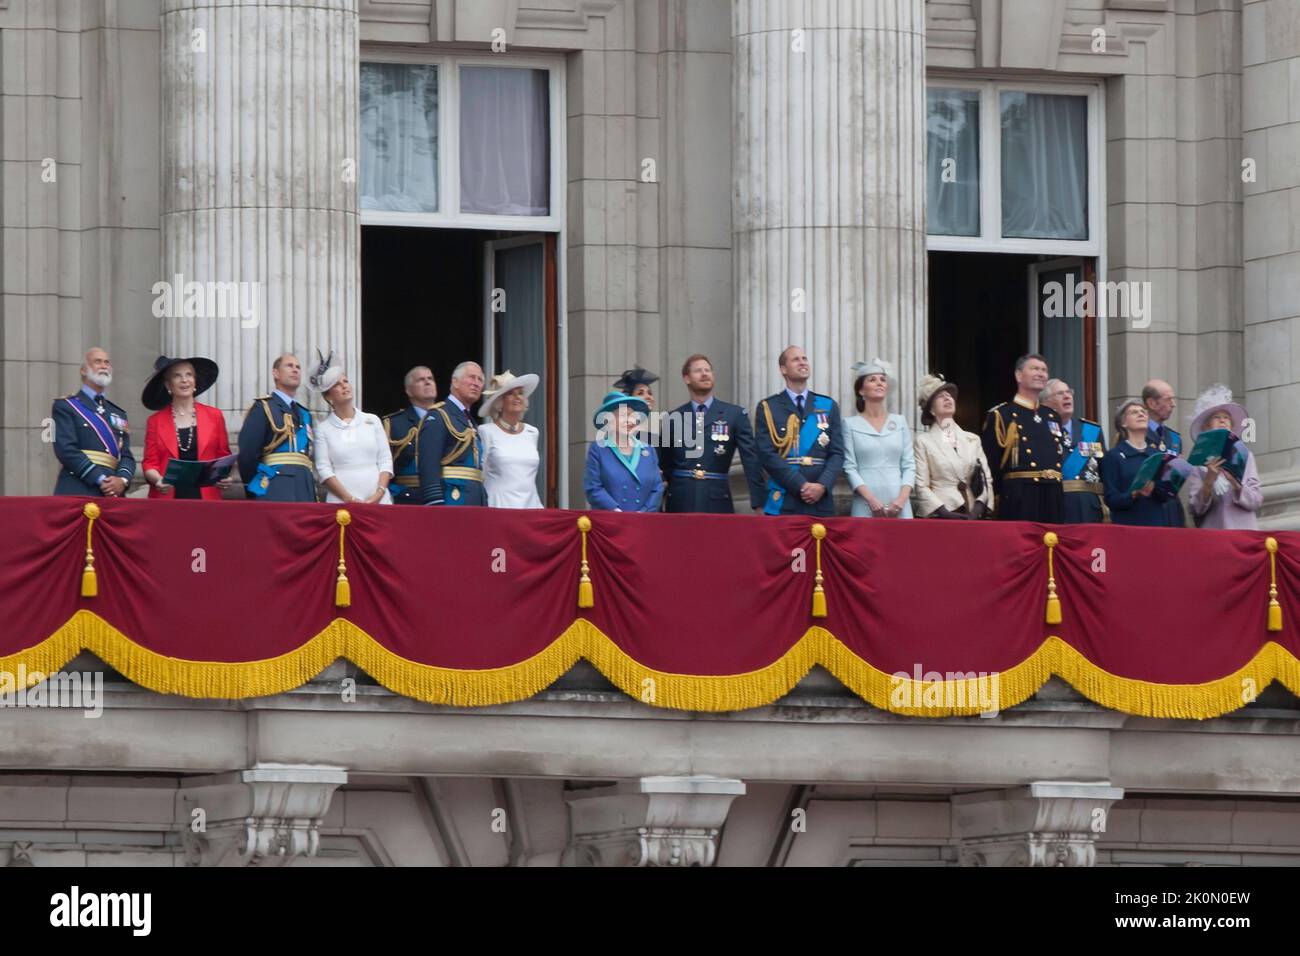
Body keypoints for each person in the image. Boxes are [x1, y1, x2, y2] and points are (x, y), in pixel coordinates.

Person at [660, 354, 765, 514]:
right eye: (698, 371)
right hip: (681, 500)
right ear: (687, 378)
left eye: (708, 370)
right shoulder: (672, 418)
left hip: (717, 499)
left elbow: (751, 460)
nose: (704, 374)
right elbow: (665, 464)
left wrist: (759, 502)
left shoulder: (735, 414)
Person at [754, 346, 845, 517]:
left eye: (804, 358)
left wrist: (822, 485)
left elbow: (837, 453)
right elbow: (766, 454)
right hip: (785, 497)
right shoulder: (768, 407)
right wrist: (801, 485)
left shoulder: (827, 405)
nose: (802, 362)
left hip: (820, 501)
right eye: (796, 359)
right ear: (783, 369)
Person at [980, 354, 1065, 522]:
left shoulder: (1052, 416)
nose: (1041, 374)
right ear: (1018, 376)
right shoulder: (1002, 415)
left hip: (1052, 495)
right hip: (1020, 497)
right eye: (1034, 369)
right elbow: (991, 465)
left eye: (1044, 370)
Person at [140, 354, 232, 501]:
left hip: (207, 498)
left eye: (189, 374)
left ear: (195, 381)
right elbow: (150, 463)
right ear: (168, 385)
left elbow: (224, 456)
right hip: (168, 499)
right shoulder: (155, 421)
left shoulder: (215, 416)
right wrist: (158, 480)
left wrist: (224, 476)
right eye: (177, 376)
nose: (184, 380)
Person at [52, 347, 137, 497]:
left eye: (107, 362)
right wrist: (101, 479)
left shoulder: (118, 413)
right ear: (83, 370)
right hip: (78, 488)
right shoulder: (65, 406)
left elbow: (126, 455)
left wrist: (122, 480)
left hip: (114, 495)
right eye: (98, 362)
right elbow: (66, 450)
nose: (104, 366)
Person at [310, 353, 393, 505]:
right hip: (341, 502)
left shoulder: (372, 420)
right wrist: (350, 499)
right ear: (328, 397)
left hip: (379, 500)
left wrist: (379, 493)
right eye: (337, 384)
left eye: (346, 381)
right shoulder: (323, 429)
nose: (344, 385)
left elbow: (385, 460)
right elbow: (323, 469)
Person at [237, 353, 317, 501]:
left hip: (304, 488)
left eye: (298, 367)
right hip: (275, 488)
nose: (295, 370)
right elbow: (248, 453)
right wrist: (253, 488)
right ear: (275, 373)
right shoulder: (264, 407)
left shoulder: (305, 414)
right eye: (289, 366)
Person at [912, 373, 992, 519]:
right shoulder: (923, 441)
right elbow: (921, 485)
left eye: (949, 395)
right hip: (942, 514)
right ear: (931, 410)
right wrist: (944, 512)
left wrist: (977, 509)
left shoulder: (973, 439)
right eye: (940, 396)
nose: (947, 398)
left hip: (973, 512)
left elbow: (986, 479)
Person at [1183, 385, 1263, 530]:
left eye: (1226, 418)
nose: (1222, 420)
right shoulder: (1198, 463)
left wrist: (1236, 483)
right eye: (1217, 417)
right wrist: (1208, 483)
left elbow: (1256, 500)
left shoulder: (1245, 457)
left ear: (1232, 427)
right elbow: (1195, 509)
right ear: (1206, 427)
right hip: (1215, 534)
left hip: (1243, 532)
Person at [843, 359, 914, 518]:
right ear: (861, 390)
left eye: (883, 379)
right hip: (865, 502)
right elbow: (849, 467)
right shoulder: (849, 424)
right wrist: (870, 499)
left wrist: (902, 499)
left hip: (899, 502)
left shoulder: (900, 421)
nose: (879, 383)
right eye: (872, 379)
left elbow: (909, 464)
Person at [418, 361, 486, 506]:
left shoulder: (469, 420)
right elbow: (428, 465)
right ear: (455, 382)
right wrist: (434, 501)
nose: (476, 383)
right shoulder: (439, 415)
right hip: (451, 499)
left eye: (480, 380)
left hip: (473, 499)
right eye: (471, 377)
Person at [1101, 400, 1176, 527]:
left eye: (1143, 412)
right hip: (1128, 525)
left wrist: (1157, 487)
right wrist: (1133, 494)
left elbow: (1167, 496)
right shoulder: (1114, 456)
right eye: (1134, 412)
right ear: (1123, 423)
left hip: (1156, 523)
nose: (1141, 414)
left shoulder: (1157, 455)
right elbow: (1111, 498)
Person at [584, 391, 663, 512]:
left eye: (633, 416)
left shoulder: (648, 450)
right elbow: (593, 488)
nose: (630, 421)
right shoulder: (598, 449)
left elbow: (657, 487)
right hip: (610, 521)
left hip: (643, 522)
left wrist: (643, 512)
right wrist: (616, 511)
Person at [1041, 378, 1106, 523]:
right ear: (1045, 403)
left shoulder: (1092, 430)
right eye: (1060, 393)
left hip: (1089, 507)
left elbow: (1104, 471)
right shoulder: (1041, 431)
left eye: (1069, 392)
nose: (1067, 396)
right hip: (1056, 505)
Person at [479, 370, 544, 509]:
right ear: (499, 402)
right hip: (498, 507)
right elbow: (481, 474)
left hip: (531, 508)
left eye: (520, 393)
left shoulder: (532, 433)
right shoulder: (486, 431)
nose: (517, 397)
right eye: (510, 393)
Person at [383, 366, 439, 505]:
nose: (427, 382)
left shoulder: (448, 420)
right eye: (421, 380)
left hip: (441, 495)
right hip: (407, 498)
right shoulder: (394, 423)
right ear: (409, 391)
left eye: (430, 378)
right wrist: (395, 492)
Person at [1142, 378, 1185, 527]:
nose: (1173, 404)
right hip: (1148, 508)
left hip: (1171, 509)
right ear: (1151, 403)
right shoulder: (1136, 433)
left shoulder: (1174, 438)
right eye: (1168, 399)